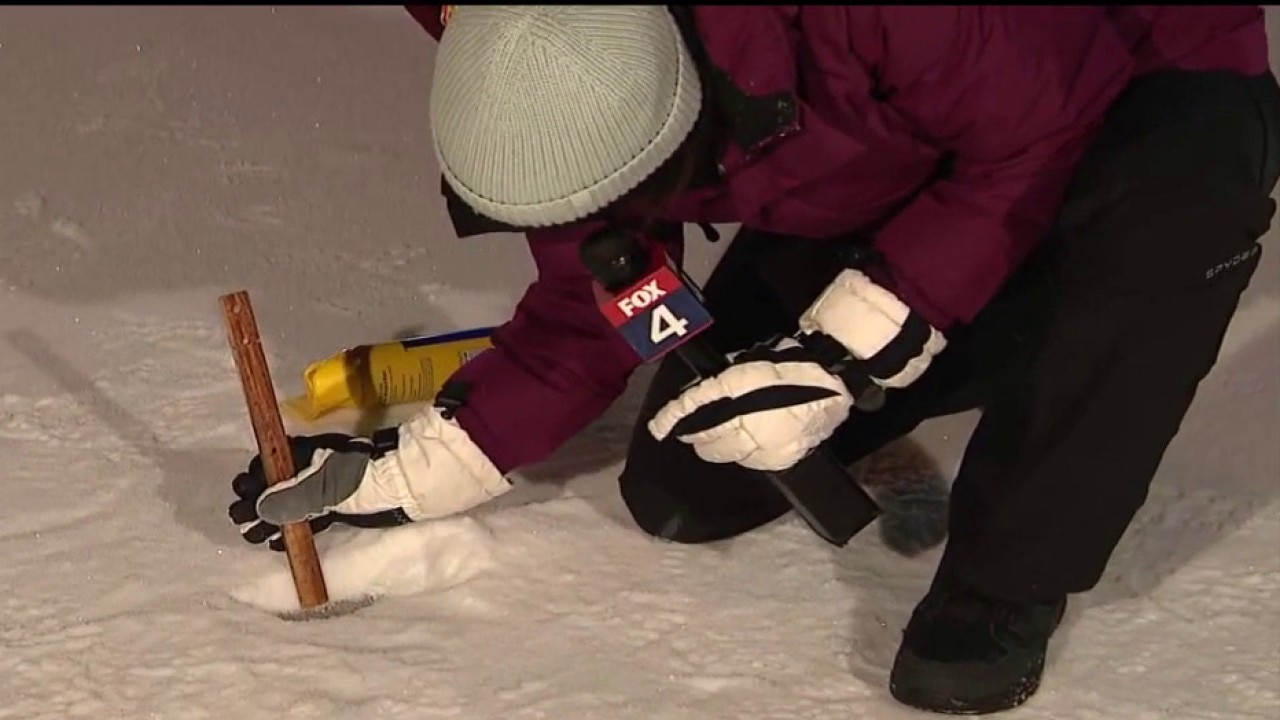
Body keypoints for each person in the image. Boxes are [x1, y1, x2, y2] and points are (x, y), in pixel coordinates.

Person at [226, 6, 1278, 714]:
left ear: (681, 107)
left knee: (1159, 220)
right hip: (890, 137)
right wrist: (417, 469)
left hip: (1130, 83)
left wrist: (845, 352)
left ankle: (1009, 577)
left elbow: (1041, 130)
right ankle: (988, 316)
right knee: (687, 485)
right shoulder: (539, 52)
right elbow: (596, 297)